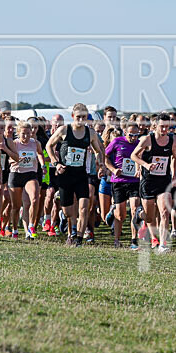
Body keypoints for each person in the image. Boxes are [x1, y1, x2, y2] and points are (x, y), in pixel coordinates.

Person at [46, 103, 106, 247]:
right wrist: (56, 162)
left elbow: (99, 151)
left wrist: (101, 163)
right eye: (78, 117)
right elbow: (49, 145)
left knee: (84, 206)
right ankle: (70, 228)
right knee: (67, 210)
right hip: (65, 174)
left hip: (81, 174)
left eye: (84, 117)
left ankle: (78, 237)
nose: (81, 120)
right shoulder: (64, 130)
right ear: (73, 116)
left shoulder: (90, 133)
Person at [132, 113, 176, 253]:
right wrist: (145, 165)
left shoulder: (172, 140)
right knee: (149, 216)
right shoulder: (147, 139)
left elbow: (174, 158)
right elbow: (133, 156)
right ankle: (139, 214)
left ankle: (162, 244)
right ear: (155, 126)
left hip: (164, 181)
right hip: (148, 181)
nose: (165, 130)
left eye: (167, 127)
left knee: (165, 211)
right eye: (162, 127)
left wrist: (174, 175)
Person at [104, 119, 142, 248]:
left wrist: (140, 169)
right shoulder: (117, 141)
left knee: (135, 209)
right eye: (131, 135)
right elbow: (105, 157)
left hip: (134, 181)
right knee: (121, 214)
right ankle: (116, 240)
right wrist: (113, 169)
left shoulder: (140, 144)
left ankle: (134, 240)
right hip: (119, 181)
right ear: (125, 131)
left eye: (136, 135)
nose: (133, 138)